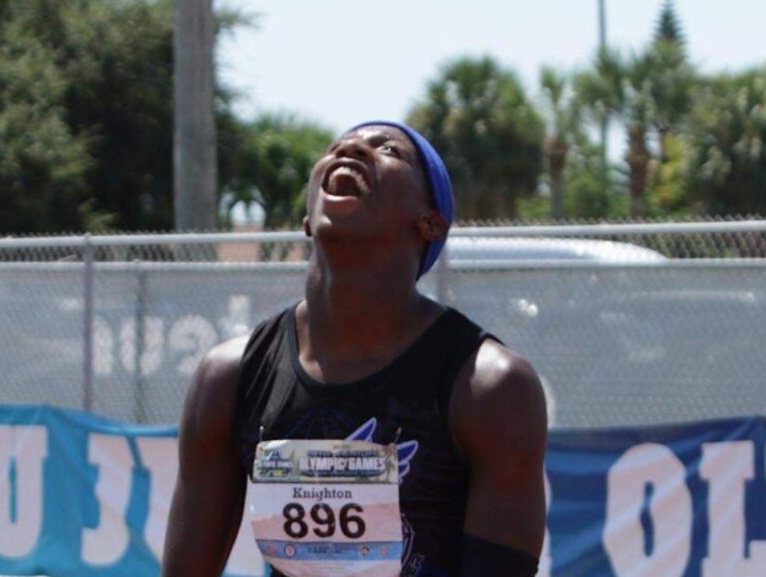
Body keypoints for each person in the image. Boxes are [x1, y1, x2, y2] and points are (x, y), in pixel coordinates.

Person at [161, 120, 548, 577]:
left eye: (389, 150)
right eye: (337, 146)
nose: (350, 149)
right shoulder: (229, 378)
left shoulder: (490, 388)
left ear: (430, 222)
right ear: (308, 219)